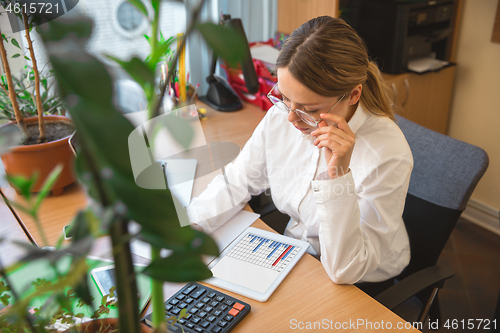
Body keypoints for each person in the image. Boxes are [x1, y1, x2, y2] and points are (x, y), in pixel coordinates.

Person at [187, 16, 413, 287]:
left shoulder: (387, 154)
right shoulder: (282, 116)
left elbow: (346, 269)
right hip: (297, 254)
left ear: (353, 95)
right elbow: (238, 179)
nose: (291, 119)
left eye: (309, 109)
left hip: (361, 281)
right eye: (284, 98)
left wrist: (338, 176)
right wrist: (193, 228)